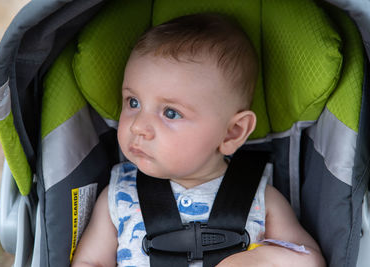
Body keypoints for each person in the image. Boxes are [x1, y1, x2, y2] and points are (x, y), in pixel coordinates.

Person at [71, 14, 326, 267]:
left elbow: (309, 260)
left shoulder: (259, 197)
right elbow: (89, 262)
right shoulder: (118, 194)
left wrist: (253, 260)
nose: (138, 126)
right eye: (133, 102)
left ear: (232, 133)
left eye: (171, 113)